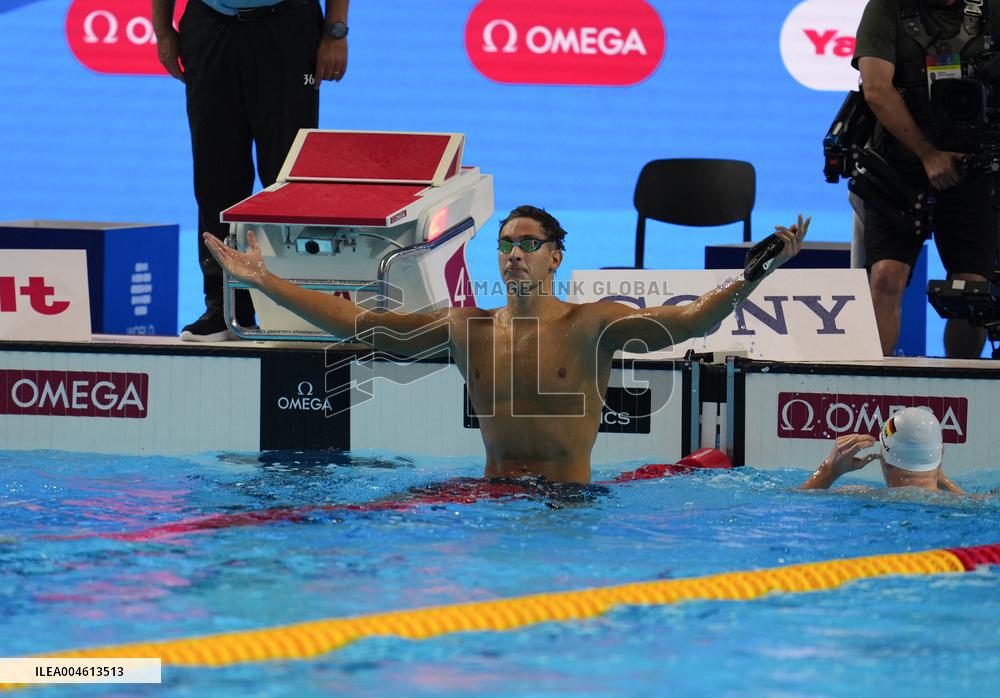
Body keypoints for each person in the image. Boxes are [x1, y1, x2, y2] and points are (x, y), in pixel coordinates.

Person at [204, 204, 810, 483]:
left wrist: (761, 269)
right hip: (489, 500)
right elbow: (358, 327)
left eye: (527, 243)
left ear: (555, 256)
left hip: (570, 507)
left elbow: (695, 323)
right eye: (505, 244)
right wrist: (265, 281)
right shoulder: (468, 328)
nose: (514, 253)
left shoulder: (593, 323)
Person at [151, 0, 350, 341]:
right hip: (209, 23)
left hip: (286, 24)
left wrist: (335, 31)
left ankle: (297, 310)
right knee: (216, 176)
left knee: (288, 179)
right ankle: (226, 309)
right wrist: (163, 29)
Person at [853, 0, 1000, 357]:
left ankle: (961, 393)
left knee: (971, 292)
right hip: (898, 167)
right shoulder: (885, 8)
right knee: (886, 277)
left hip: (974, 165)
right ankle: (870, 388)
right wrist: (928, 154)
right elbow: (875, 87)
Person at [798, 406, 965, 493]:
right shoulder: (963, 503)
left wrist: (830, 470)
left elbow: (797, 503)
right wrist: (938, 475)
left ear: (883, 460)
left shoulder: (864, 497)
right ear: (941, 453)